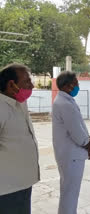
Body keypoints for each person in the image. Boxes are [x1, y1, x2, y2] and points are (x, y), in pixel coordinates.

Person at [52, 71, 90, 214]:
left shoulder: (64, 101)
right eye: (75, 83)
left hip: (70, 153)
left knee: (69, 189)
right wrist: (88, 144)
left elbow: (78, 126)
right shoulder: (65, 104)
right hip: (72, 155)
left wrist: (87, 140)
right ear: (67, 85)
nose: (77, 86)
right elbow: (76, 132)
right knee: (70, 191)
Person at [0, 63, 40, 214]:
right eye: (27, 81)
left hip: (23, 183)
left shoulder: (19, 103)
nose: (32, 85)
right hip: (7, 188)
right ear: (11, 84)